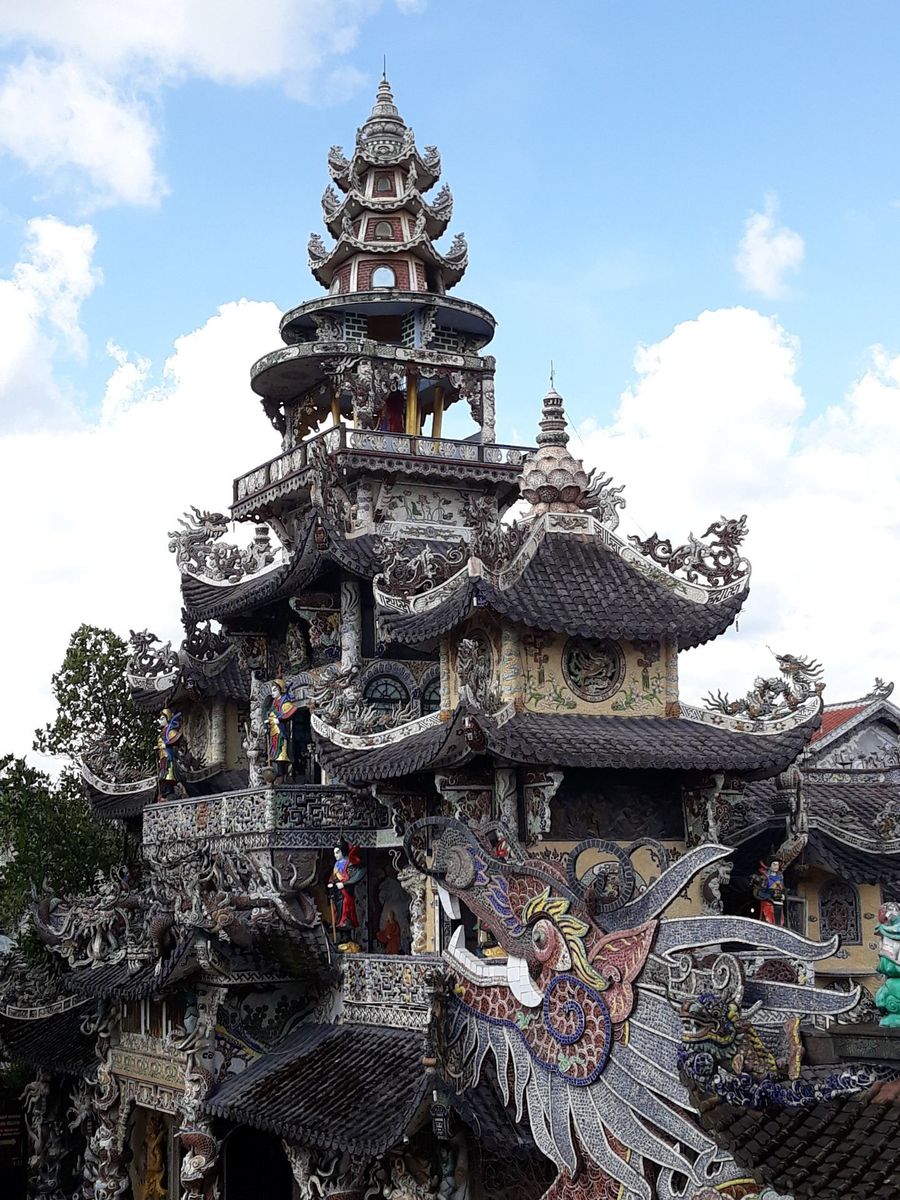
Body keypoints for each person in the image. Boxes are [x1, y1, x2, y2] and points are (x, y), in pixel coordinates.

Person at [328, 839, 365, 946]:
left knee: (346, 913)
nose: (335, 855)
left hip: (346, 892)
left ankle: (348, 937)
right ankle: (342, 936)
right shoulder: (336, 864)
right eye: (334, 853)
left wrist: (345, 883)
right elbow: (333, 877)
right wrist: (331, 882)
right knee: (338, 913)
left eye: (337, 852)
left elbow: (360, 872)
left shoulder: (350, 863)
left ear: (343, 851)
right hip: (337, 892)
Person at [157, 708, 185, 799]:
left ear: (168, 719)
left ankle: (170, 790)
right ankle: (165, 791)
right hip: (162, 756)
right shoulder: (162, 732)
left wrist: (166, 744)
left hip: (169, 755)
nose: (160, 721)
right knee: (162, 773)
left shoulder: (170, 730)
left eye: (162, 718)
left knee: (169, 772)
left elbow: (175, 739)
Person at [754, 858, 785, 926]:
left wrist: (783, 895)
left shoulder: (780, 877)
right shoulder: (764, 877)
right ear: (770, 866)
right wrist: (770, 895)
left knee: (779, 922)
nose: (776, 867)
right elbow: (758, 892)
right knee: (768, 921)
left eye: (777, 865)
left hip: (779, 903)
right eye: (774, 865)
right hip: (768, 903)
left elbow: (783, 890)